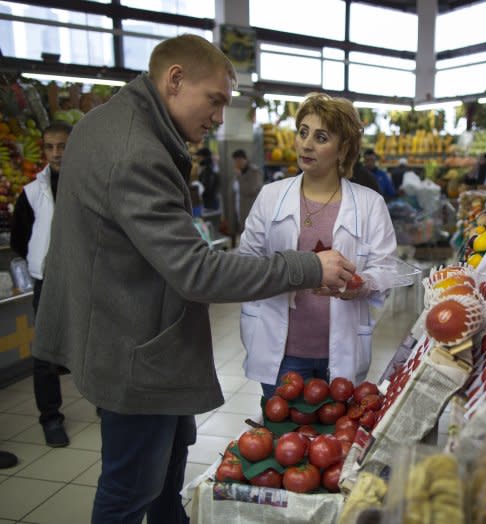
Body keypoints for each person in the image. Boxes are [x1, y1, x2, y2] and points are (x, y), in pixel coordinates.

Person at [31, 34, 355, 524]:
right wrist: (309, 266)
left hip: (133, 331)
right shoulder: (136, 151)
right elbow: (197, 271)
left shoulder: (109, 122)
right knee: (130, 489)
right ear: (176, 79)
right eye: (217, 100)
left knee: (163, 478)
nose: (221, 118)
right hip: (137, 348)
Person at [239, 92, 397, 397]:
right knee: (282, 438)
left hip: (341, 351)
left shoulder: (370, 204)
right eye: (303, 132)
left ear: (344, 149)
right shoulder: (271, 197)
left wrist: (359, 284)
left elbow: (387, 270)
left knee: (333, 441)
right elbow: (246, 263)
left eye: (321, 137)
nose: (307, 144)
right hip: (281, 349)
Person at [9, 121, 73, 448]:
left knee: (93, 345)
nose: (56, 153)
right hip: (46, 283)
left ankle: (106, 406)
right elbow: (21, 239)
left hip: (84, 280)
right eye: (49, 147)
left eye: (61, 146)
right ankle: (51, 418)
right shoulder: (33, 192)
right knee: (45, 353)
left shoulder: (89, 185)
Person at [232, 149, 262, 230]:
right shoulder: (239, 172)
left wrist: (239, 177)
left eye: (238, 161)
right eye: (235, 161)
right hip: (240, 209)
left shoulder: (254, 171)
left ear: (244, 159)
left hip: (250, 210)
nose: (236, 163)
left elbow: (251, 190)